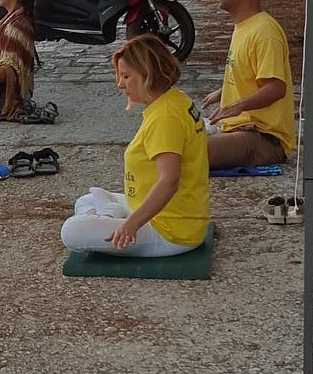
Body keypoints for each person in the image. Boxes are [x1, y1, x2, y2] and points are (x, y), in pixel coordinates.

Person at [61, 34, 210, 257]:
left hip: (169, 231)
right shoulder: (174, 99)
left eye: (126, 76)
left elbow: (169, 181)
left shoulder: (165, 117)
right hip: (166, 214)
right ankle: (109, 214)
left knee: (71, 232)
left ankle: (110, 216)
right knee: (86, 200)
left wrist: (131, 225)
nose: (120, 84)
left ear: (148, 74)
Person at [201, 0, 294, 168]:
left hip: (263, 137)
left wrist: (237, 105)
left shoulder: (264, 32)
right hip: (237, 129)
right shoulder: (246, 26)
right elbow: (251, 76)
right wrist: (223, 91)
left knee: (188, 152)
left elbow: (276, 88)